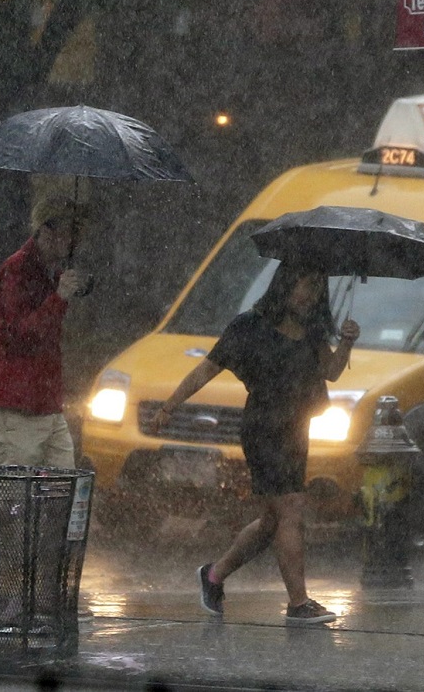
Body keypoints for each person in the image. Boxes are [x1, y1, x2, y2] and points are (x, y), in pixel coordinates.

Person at [151, 261, 361, 625]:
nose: (312, 295)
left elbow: (331, 371)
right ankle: (299, 603)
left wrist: (346, 343)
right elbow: (207, 368)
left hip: (297, 430)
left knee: (270, 521)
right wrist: (169, 407)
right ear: (285, 285)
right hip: (263, 430)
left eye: (318, 287)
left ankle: (214, 575)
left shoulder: (312, 330)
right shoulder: (249, 326)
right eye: (305, 284)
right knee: (291, 508)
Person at [0, 195, 88, 468]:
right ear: (47, 231)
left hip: (44, 407)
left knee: (62, 494)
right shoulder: (15, 271)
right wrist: (58, 298)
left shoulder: (48, 273)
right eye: (69, 232)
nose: (73, 241)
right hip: (15, 410)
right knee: (17, 501)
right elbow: (20, 336)